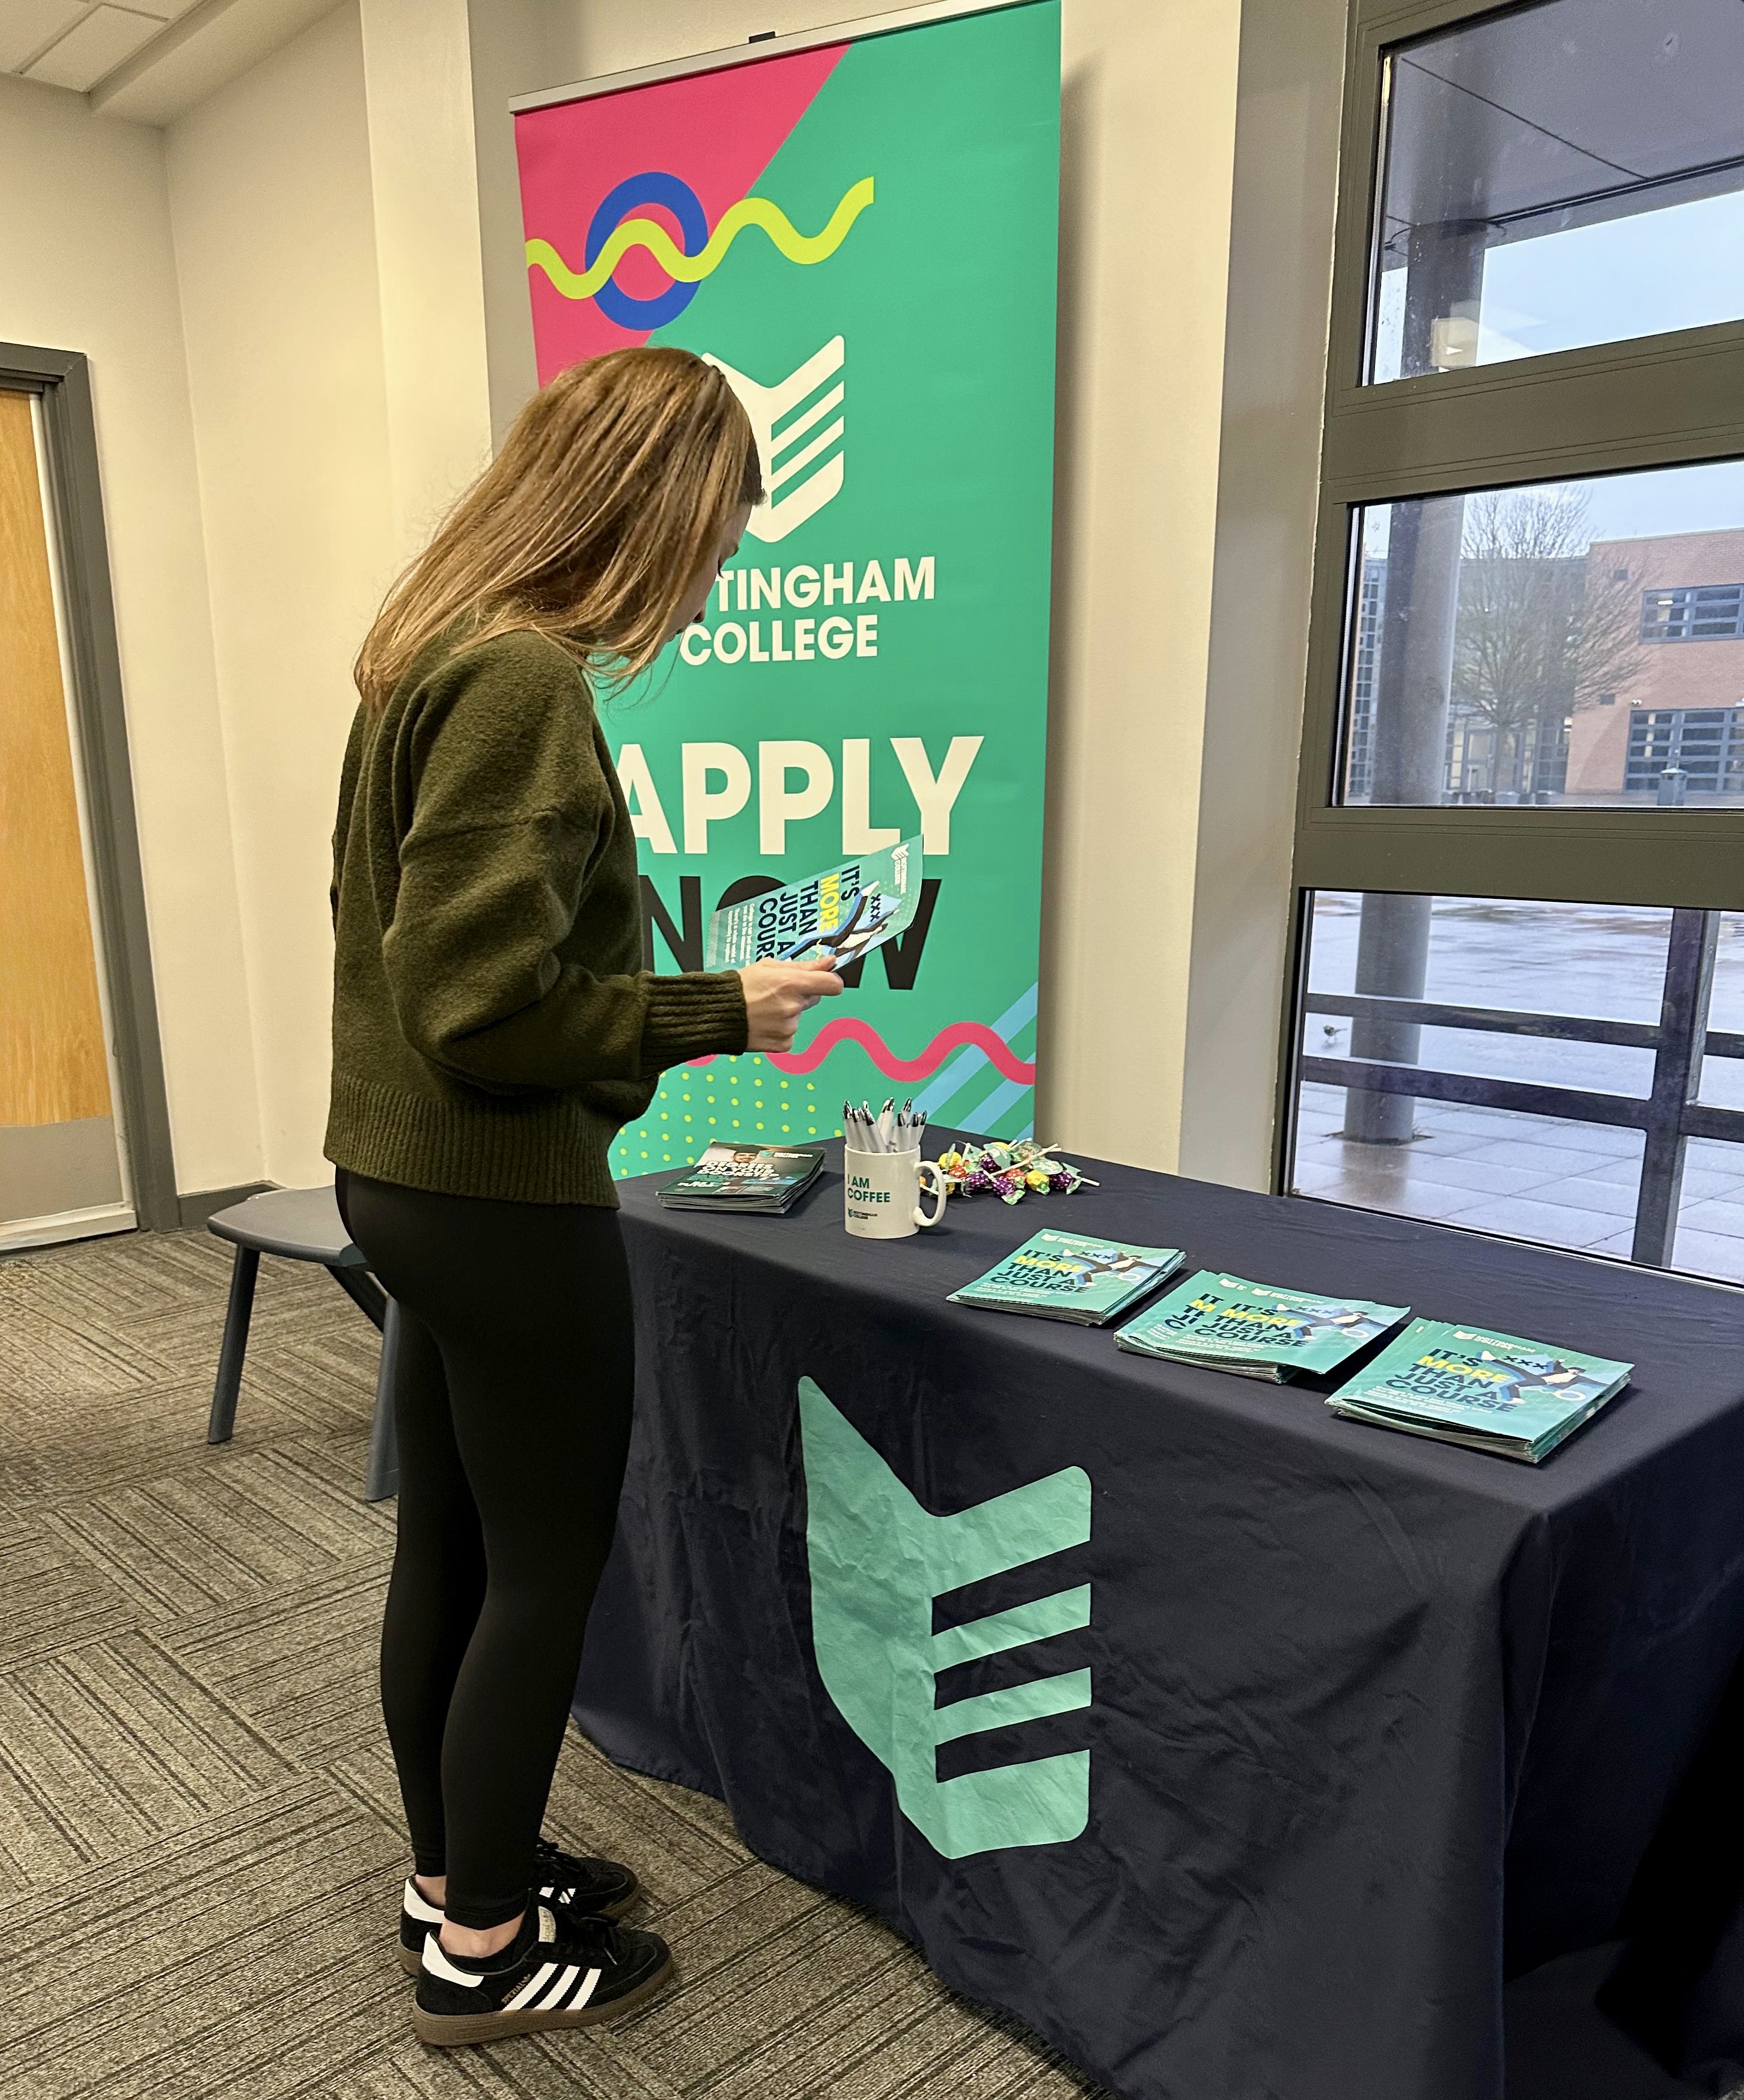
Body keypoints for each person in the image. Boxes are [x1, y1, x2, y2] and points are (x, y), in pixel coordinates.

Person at [325, 347, 843, 2048]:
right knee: (542, 1572)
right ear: (651, 513)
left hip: (403, 1178)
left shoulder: (428, 659)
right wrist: (722, 1008)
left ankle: (455, 1869)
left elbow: (431, 967)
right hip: (497, 1199)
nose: (704, 583)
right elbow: (476, 1006)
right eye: (712, 539)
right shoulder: (525, 682)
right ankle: (481, 1948)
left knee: (458, 1551)